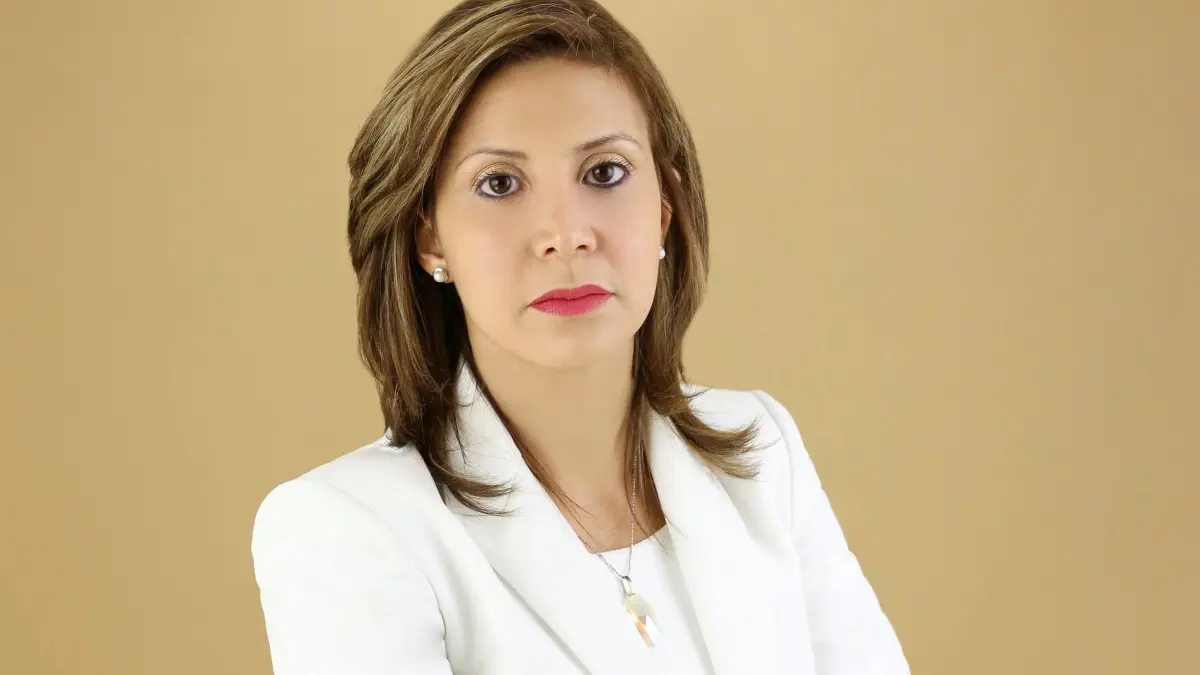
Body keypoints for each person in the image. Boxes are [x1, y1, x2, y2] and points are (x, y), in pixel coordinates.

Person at [250, 1, 909, 673]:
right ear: (430, 237)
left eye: (604, 172)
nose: (566, 234)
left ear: (664, 209)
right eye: (499, 183)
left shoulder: (762, 454)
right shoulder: (348, 527)